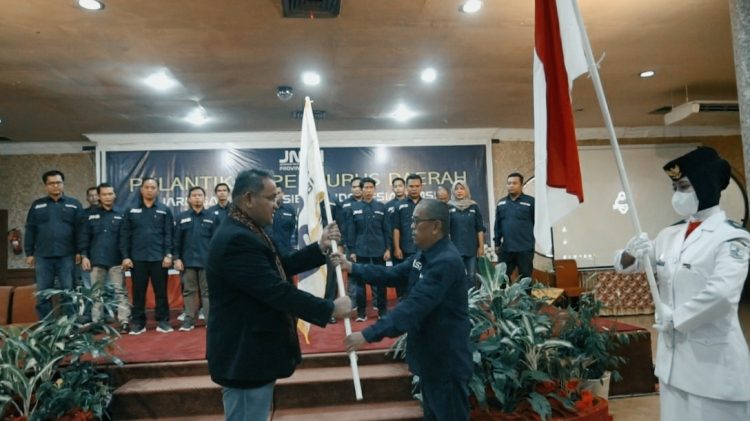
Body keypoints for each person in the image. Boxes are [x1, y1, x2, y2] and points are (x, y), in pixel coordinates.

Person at [614, 147, 750, 420]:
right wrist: (631, 252)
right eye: (675, 187)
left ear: (705, 185)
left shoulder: (731, 238)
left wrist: (675, 318)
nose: (678, 194)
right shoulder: (671, 234)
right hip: (672, 365)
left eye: (684, 186)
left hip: (711, 368)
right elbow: (629, 265)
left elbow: (722, 295)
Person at [205, 168, 351, 421]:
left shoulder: (247, 229)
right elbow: (275, 290)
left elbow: (279, 266)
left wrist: (320, 247)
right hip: (244, 358)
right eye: (271, 198)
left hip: (252, 355)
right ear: (249, 198)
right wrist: (330, 309)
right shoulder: (236, 239)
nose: (277, 203)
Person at [334, 199, 472, 421]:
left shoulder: (445, 261)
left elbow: (413, 307)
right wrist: (353, 267)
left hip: (445, 362)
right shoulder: (425, 254)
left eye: (416, 222)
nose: (410, 227)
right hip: (430, 359)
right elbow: (394, 274)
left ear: (436, 226)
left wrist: (368, 334)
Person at [24, 170, 85, 318]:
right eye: (51, 183)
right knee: (43, 294)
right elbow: (30, 229)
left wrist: (80, 251)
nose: (55, 186)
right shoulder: (37, 205)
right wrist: (29, 253)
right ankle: (46, 328)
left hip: (67, 256)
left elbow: (81, 230)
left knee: (68, 292)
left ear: (63, 184)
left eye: (58, 182)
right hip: (43, 256)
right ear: (46, 186)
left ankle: (69, 326)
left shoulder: (74, 204)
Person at [120, 177, 175, 335]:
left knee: (161, 292)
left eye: (153, 187)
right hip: (137, 259)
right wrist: (125, 256)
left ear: (157, 190)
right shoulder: (130, 210)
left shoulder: (164, 210)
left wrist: (168, 254)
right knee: (138, 292)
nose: (150, 190)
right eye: (147, 187)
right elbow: (125, 235)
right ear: (141, 190)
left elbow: (169, 234)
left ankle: (163, 321)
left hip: (159, 258)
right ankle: (138, 322)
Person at [80, 183, 130, 332]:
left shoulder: (122, 214)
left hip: (116, 260)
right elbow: (84, 237)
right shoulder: (89, 215)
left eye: (110, 194)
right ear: (99, 197)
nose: (108, 197)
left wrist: (126, 257)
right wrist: (84, 255)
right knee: (96, 293)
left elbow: (125, 238)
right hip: (96, 259)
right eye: (104, 194)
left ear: (114, 195)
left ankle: (124, 320)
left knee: (120, 291)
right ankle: (97, 321)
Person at [345, 177, 391, 321]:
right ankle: (361, 313)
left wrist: (388, 248)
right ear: (361, 189)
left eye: (371, 188)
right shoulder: (353, 209)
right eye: (365, 188)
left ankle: (382, 312)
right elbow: (350, 231)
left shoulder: (382, 208)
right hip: (360, 251)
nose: (368, 190)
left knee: (381, 281)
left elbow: (386, 230)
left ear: (374, 190)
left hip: (379, 250)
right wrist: (351, 251)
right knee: (360, 283)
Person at [174, 186, 218, 331]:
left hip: (207, 262)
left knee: (208, 292)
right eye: (194, 195)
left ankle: (210, 320)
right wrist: (177, 258)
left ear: (204, 198)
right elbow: (176, 241)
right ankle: (189, 320)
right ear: (189, 198)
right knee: (189, 291)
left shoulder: (212, 217)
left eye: (200, 195)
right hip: (187, 262)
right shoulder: (181, 217)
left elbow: (217, 241)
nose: (197, 197)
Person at [493, 172, 535, 280]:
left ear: (521, 185)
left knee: (525, 279)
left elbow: (537, 223)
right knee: (501, 279)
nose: (511, 185)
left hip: (525, 248)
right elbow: (497, 225)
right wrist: (497, 243)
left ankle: (525, 298)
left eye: (514, 183)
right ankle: (503, 298)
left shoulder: (530, 202)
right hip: (506, 248)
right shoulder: (501, 203)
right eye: (509, 183)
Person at [448, 180, 485, 289]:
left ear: (466, 190)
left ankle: (471, 302)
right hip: (455, 249)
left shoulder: (474, 206)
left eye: (462, 188)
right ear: (453, 191)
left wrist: (481, 247)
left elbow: (479, 229)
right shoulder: (449, 207)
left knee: (472, 276)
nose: (459, 191)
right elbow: (446, 231)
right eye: (456, 189)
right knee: (456, 276)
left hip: (471, 248)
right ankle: (458, 302)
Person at [392, 173, 423, 263]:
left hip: (424, 248)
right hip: (405, 249)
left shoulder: (427, 205)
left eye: (417, 186)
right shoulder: (399, 205)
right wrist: (397, 248)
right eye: (411, 186)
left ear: (421, 187)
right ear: (406, 187)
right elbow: (396, 228)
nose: (414, 189)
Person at [267, 184, 297, 256]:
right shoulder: (264, 209)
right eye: (273, 194)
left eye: (278, 193)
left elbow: (291, 229)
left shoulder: (289, 209)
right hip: (268, 252)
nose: (276, 196)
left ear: (283, 194)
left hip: (285, 252)